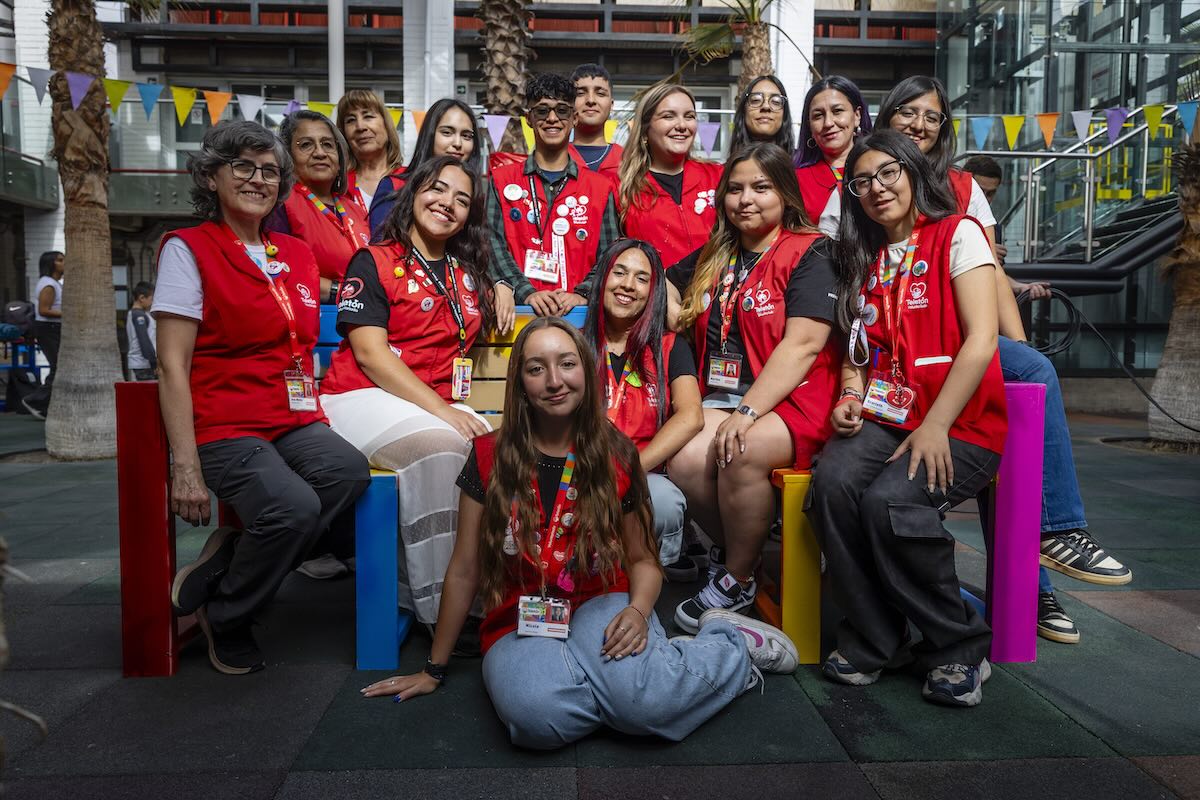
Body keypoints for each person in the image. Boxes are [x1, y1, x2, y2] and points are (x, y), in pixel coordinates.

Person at [360, 317, 801, 749]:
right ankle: (636, 691)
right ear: (521, 384)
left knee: (645, 704)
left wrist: (638, 611)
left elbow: (644, 561)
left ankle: (728, 644)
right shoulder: (487, 455)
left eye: (567, 364)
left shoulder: (617, 455)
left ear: (586, 374)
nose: (555, 381)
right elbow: (464, 570)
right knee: (538, 720)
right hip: (519, 617)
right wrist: (434, 669)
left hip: (601, 601)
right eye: (536, 368)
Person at [153, 120, 370, 675]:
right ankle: (228, 616)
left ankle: (231, 567)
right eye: (243, 167)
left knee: (348, 474)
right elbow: (171, 365)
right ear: (211, 177)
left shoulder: (296, 253)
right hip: (224, 423)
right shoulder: (188, 249)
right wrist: (185, 466)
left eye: (270, 171)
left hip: (292, 417)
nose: (258, 179)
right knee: (292, 508)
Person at [812, 130, 1006, 708]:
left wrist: (936, 425)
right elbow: (858, 350)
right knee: (832, 483)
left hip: (960, 423)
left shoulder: (957, 234)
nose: (876, 188)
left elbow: (982, 340)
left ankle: (958, 646)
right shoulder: (862, 258)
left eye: (888, 173)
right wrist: (851, 396)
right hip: (888, 418)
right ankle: (878, 638)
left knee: (890, 501)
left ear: (913, 171)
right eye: (861, 182)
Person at [665, 143, 841, 632]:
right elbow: (663, 279)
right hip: (726, 396)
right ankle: (744, 554)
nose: (746, 199)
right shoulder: (718, 254)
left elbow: (804, 345)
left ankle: (738, 577)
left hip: (795, 397)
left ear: (785, 193)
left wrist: (747, 413)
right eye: (736, 189)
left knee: (739, 450)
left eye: (761, 188)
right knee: (682, 456)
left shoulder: (812, 251)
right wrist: (674, 309)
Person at [319, 155, 495, 637]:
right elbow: (371, 355)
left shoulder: (465, 272)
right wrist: (442, 411)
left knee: (494, 452)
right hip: (359, 395)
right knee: (441, 449)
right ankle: (440, 609)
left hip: (428, 403)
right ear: (414, 192)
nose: (447, 203)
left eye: (462, 199)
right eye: (437, 189)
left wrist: (499, 285)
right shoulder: (373, 260)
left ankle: (480, 594)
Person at [958, 156, 1131, 644]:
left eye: (932, 119)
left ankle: (1039, 573)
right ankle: (1037, 571)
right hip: (920, 342)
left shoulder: (962, 192)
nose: (919, 124)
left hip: (969, 333)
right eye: (908, 117)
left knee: (1025, 394)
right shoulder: (875, 187)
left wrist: (1020, 349)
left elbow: (990, 272)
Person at [580, 239, 703, 578]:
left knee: (665, 501)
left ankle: (648, 580)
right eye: (619, 273)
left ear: (654, 292)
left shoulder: (670, 346)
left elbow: (691, 416)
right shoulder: (574, 343)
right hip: (580, 470)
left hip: (643, 472)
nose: (628, 285)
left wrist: (631, 468)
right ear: (603, 279)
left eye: (641, 278)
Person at [486, 73, 621, 324]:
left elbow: (610, 253)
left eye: (562, 110)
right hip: (519, 316)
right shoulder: (501, 180)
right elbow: (491, 245)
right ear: (528, 119)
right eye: (542, 111)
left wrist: (583, 293)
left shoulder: (601, 188)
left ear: (574, 118)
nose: (552, 118)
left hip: (580, 318)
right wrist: (526, 292)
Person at [618, 84, 723, 270]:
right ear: (645, 129)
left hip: (717, 287)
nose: (682, 125)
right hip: (657, 288)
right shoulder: (621, 186)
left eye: (689, 116)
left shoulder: (718, 176)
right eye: (668, 116)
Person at [268, 110, 370, 302]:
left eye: (327, 144)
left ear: (339, 159)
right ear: (287, 157)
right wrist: (343, 292)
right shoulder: (281, 205)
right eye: (306, 145)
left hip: (364, 312)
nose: (320, 153)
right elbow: (279, 270)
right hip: (314, 314)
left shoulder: (355, 210)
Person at [368, 98, 483, 239]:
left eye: (466, 136)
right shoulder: (394, 186)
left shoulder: (476, 197)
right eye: (447, 132)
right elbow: (380, 245)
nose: (458, 143)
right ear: (430, 135)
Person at [793, 76, 871, 225]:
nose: (828, 123)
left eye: (837, 111)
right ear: (809, 126)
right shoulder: (795, 180)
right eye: (818, 115)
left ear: (857, 116)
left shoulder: (880, 170)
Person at [336, 89, 404, 215]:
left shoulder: (411, 179)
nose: (360, 127)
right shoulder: (337, 185)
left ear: (386, 125)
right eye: (351, 120)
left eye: (368, 117)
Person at [22, 250, 64, 418]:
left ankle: (45, 404)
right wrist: (68, 313)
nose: (64, 263)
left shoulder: (54, 283)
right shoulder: (49, 285)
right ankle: (34, 400)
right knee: (58, 366)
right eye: (60, 260)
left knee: (58, 366)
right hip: (49, 328)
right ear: (51, 264)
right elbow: (44, 310)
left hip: (52, 328)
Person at [569, 63, 623, 184]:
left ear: (611, 105)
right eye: (580, 93)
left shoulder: (628, 162)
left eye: (600, 94)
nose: (591, 100)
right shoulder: (552, 158)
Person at [727, 75, 795, 158]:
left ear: (784, 115)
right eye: (756, 100)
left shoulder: (799, 165)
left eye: (776, 102)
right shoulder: (727, 166)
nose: (766, 106)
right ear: (744, 111)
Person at [126, 281, 157, 381]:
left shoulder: (137, 314)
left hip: (143, 363)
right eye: (151, 299)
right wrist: (154, 363)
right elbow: (144, 340)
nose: (153, 302)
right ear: (142, 298)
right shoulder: (139, 315)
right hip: (144, 364)